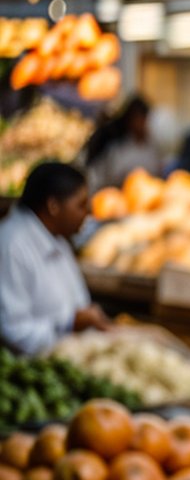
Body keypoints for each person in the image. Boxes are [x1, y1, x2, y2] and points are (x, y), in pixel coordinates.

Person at [0, 160, 110, 354]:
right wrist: (70, 323)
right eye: (81, 205)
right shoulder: (11, 246)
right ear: (53, 206)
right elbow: (12, 331)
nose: (89, 212)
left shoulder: (57, 237)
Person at [83, 95, 163, 191]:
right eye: (138, 119)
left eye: (144, 119)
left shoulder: (152, 146)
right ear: (130, 120)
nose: (142, 124)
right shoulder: (116, 146)